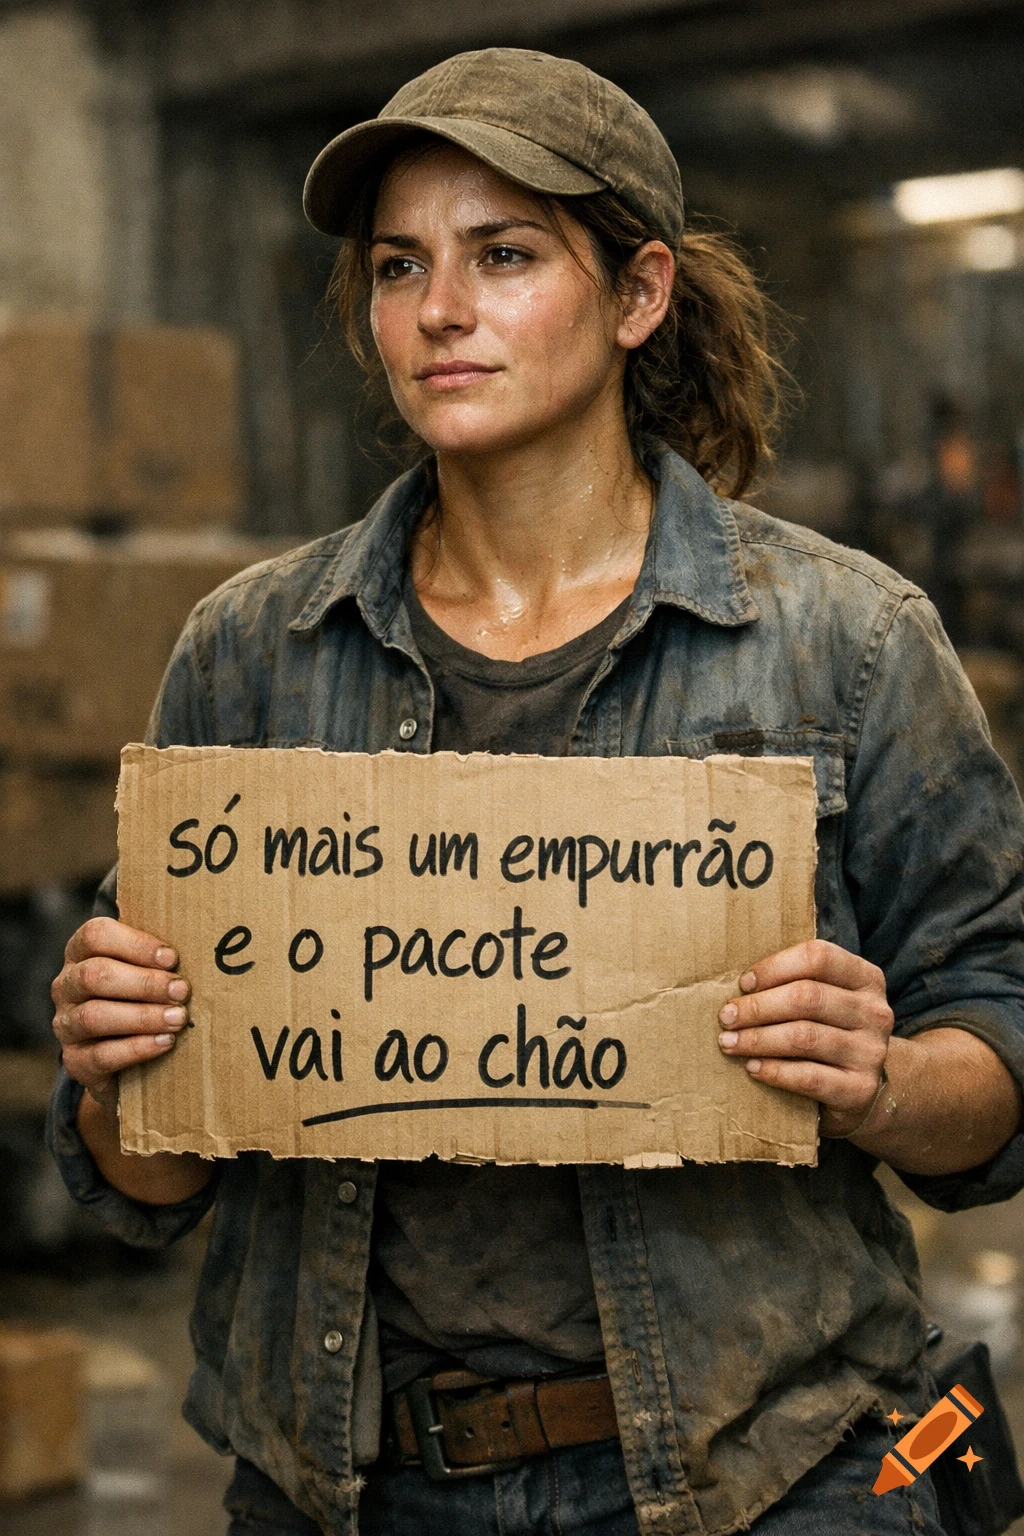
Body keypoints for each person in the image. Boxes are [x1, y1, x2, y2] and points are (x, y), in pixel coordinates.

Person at [47, 47, 1024, 1536]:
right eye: (399, 266)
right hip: (346, 1484)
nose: (439, 311)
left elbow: (1001, 1036)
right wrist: (120, 1063)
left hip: (772, 1473)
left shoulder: (848, 641)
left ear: (636, 297)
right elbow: (144, 1176)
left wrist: (885, 1080)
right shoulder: (249, 653)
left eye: (504, 255)